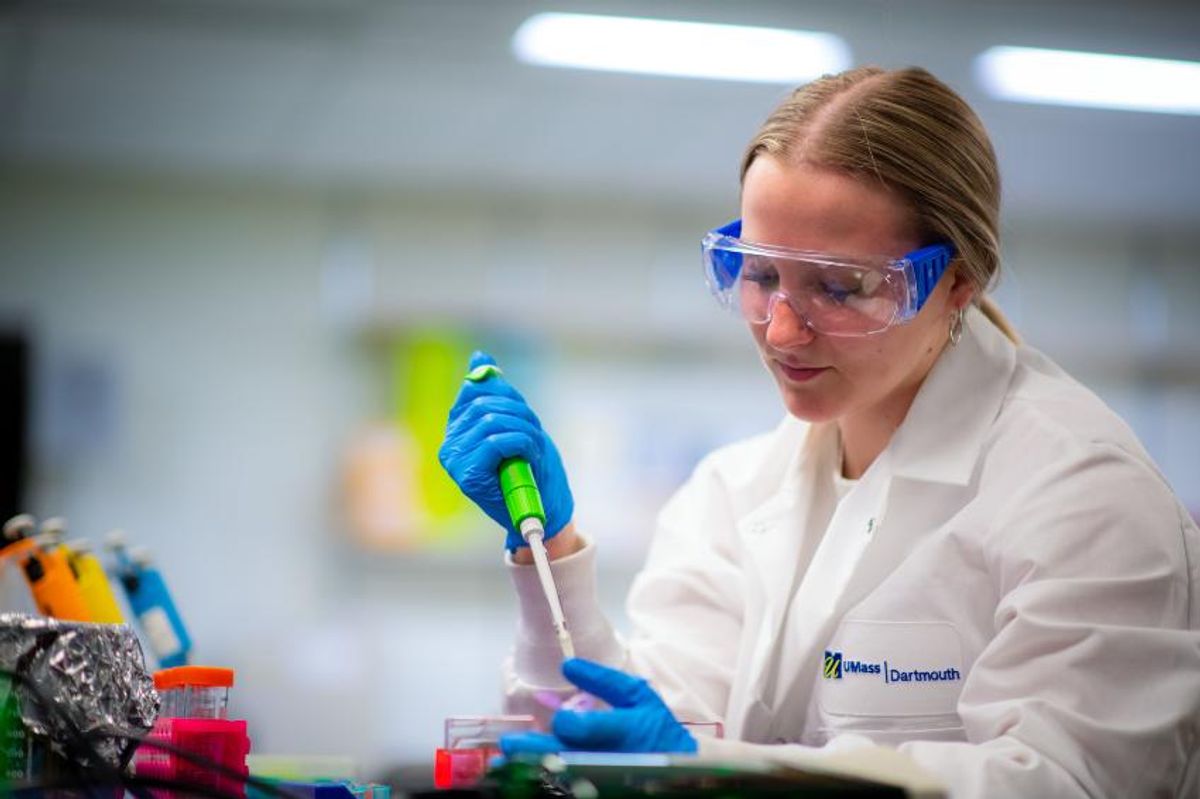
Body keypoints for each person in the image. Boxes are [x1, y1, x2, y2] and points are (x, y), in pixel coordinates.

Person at [439, 66, 1200, 798]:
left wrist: (718, 771)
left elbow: (1070, 781)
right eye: (760, 274)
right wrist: (551, 551)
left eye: (841, 286)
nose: (781, 331)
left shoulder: (1085, 496)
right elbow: (625, 733)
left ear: (957, 280)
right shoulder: (732, 492)